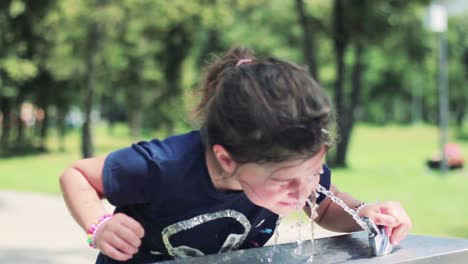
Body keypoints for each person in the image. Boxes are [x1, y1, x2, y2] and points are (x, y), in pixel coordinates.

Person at [59, 47, 412, 263]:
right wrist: (99, 225)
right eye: (288, 182)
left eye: (315, 171)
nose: (304, 191)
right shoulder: (163, 165)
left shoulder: (292, 168)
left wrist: (366, 213)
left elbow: (327, 206)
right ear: (227, 160)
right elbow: (76, 175)